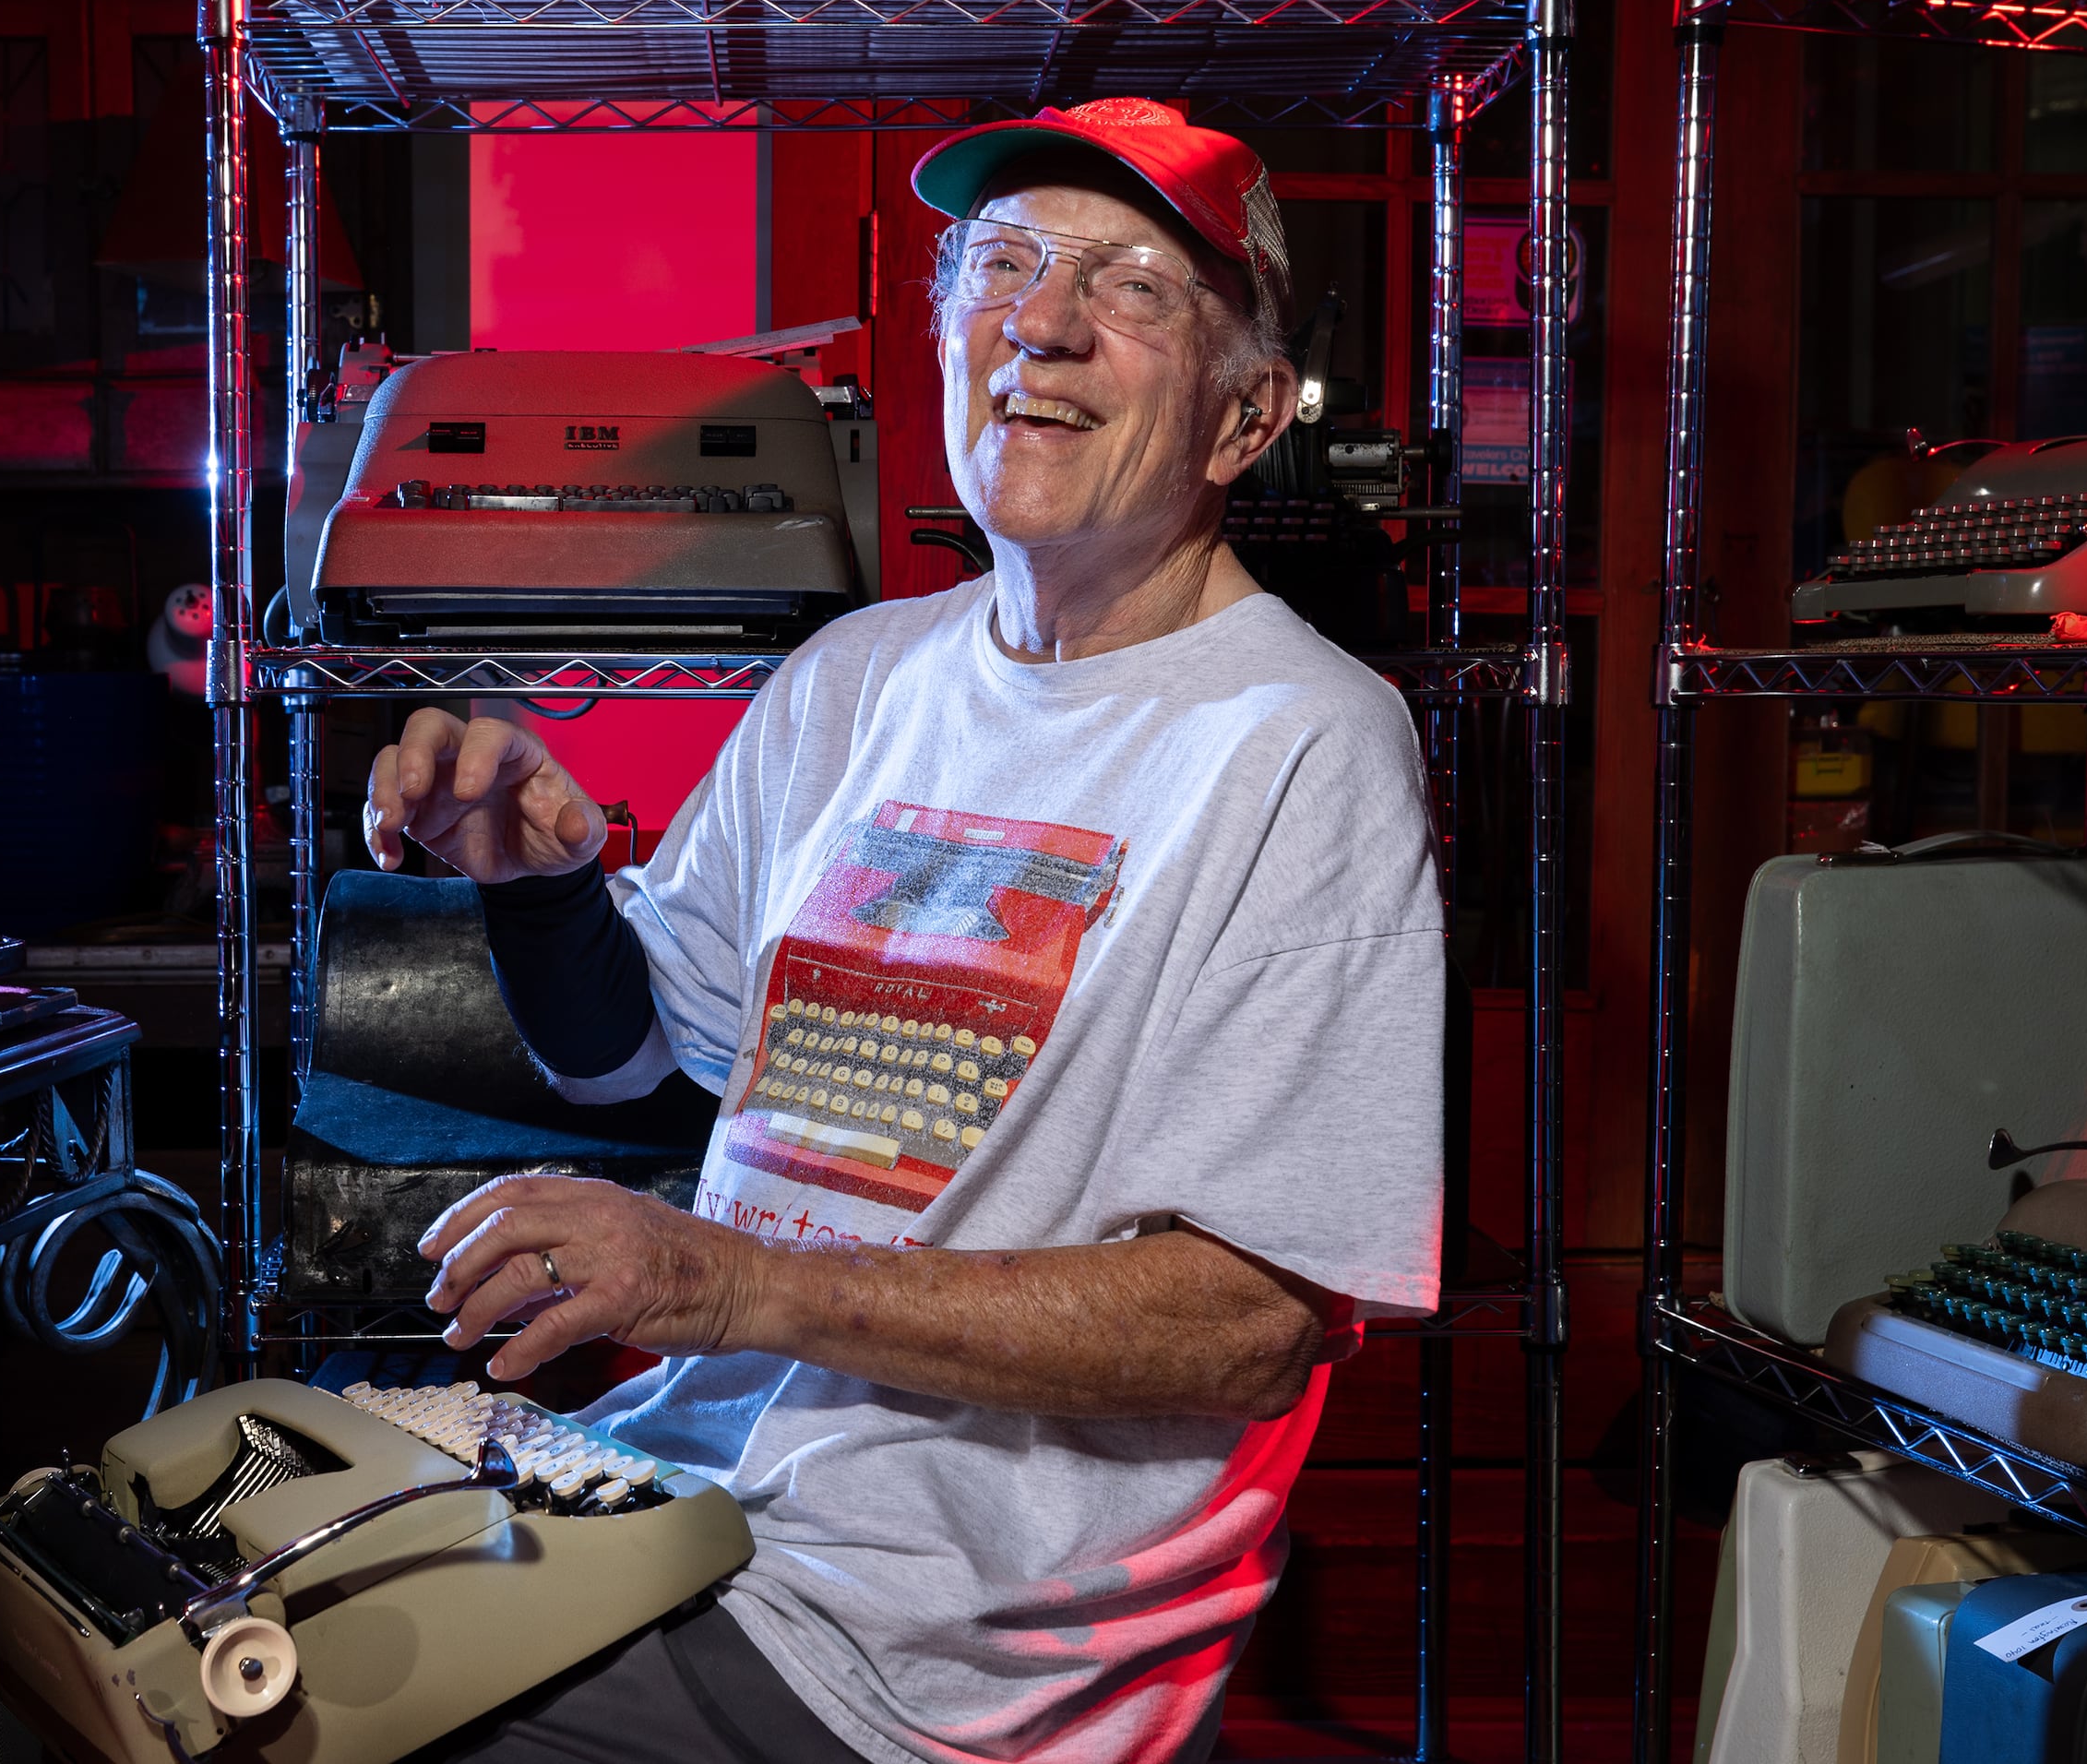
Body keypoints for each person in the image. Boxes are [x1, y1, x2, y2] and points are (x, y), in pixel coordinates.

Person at [364, 98, 1448, 1764]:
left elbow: (1248, 1327)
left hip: (938, 1650)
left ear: (1242, 422)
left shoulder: (1303, 743)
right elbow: (624, 1057)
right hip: (694, 1504)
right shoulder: (859, 678)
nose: (1041, 321)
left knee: (270, 1722)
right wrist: (534, 873)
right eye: (1000, 266)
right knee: (124, 1611)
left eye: (1132, 287)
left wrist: (725, 1283)